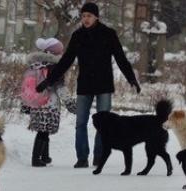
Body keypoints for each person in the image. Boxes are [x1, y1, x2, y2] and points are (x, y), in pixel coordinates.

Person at [36, 2, 140, 168]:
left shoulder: (108, 34)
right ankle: (82, 157)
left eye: (89, 16)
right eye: (83, 16)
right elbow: (66, 61)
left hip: (104, 85)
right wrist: (49, 80)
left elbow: (120, 58)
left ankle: (99, 156)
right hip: (84, 85)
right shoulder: (78, 36)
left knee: (104, 124)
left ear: (96, 17)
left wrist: (131, 78)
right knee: (80, 123)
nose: (85, 19)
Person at [22, 38, 76, 167]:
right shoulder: (55, 67)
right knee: (43, 131)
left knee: (43, 130)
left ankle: (45, 156)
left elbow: (26, 86)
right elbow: (60, 87)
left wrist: (25, 103)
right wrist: (69, 102)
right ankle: (36, 159)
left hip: (36, 102)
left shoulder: (35, 65)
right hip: (49, 102)